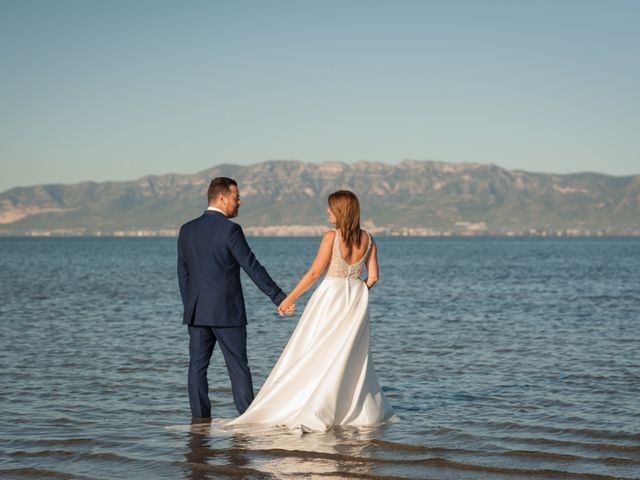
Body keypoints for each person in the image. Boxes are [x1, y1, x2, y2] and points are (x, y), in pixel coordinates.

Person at [227, 190, 395, 431]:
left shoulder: (331, 236)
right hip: (356, 303)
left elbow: (315, 273)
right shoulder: (369, 238)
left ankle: (312, 404)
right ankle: (343, 408)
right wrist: (359, 292)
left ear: (339, 210)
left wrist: (289, 299)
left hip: (330, 298)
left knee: (313, 348)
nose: (327, 211)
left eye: (330, 207)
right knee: (348, 355)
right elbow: (375, 277)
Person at [177, 177, 295, 419]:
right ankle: (248, 419)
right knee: (238, 368)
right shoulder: (230, 229)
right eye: (236, 197)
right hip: (227, 313)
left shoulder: (187, 229)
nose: (239, 202)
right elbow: (252, 266)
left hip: (197, 312)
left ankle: (200, 423)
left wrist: (190, 305)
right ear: (221, 198)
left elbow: (183, 272)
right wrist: (279, 297)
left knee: (197, 368)